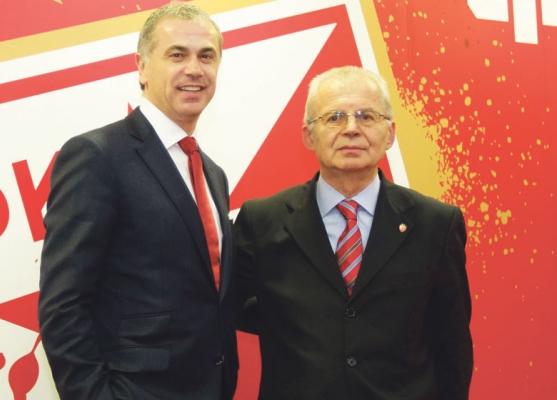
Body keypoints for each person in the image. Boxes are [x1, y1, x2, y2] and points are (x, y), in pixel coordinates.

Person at [234, 66, 473, 399]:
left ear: (389, 134)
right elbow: (226, 308)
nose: (351, 129)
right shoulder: (262, 220)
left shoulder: (436, 223)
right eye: (334, 117)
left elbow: (452, 345)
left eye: (367, 116)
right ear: (308, 135)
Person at [38, 3, 238, 399]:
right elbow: (63, 306)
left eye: (206, 56)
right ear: (142, 67)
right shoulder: (97, 155)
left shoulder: (212, 173)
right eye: (177, 55)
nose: (194, 69)